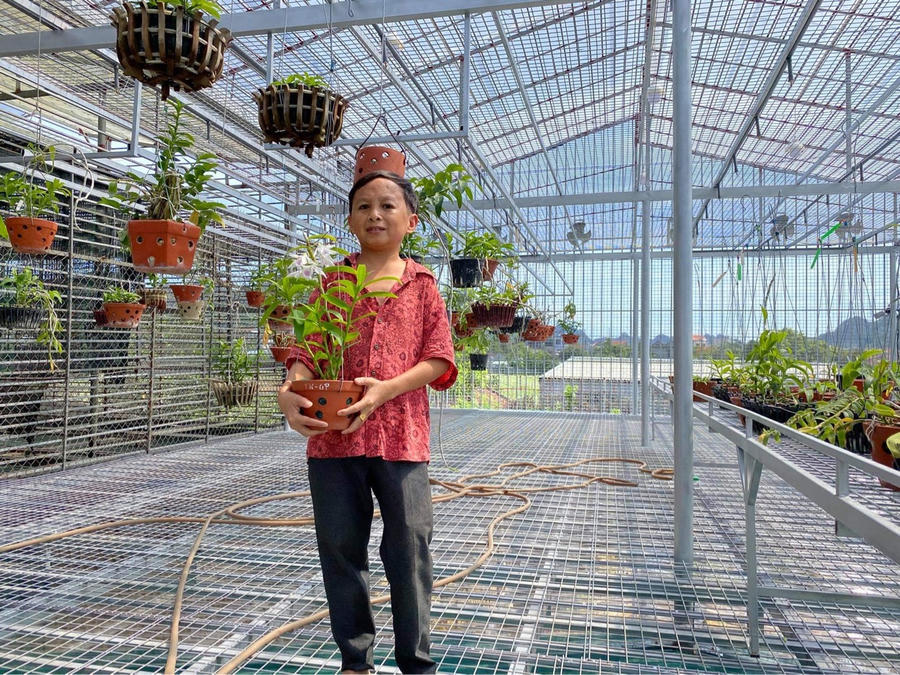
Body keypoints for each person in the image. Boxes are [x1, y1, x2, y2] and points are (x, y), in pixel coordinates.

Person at [277, 168, 457, 674]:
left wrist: (385, 391)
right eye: (363, 207)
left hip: (402, 438)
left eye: (387, 205)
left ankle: (416, 663)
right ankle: (355, 661)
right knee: (340, 548)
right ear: (351, 222)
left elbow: (439, 358)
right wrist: (288, 393)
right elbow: (307, 351)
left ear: (411, 221)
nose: (375, 214)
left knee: (409, 548)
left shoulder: (423, 286)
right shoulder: (332, 283)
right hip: (333, 438)